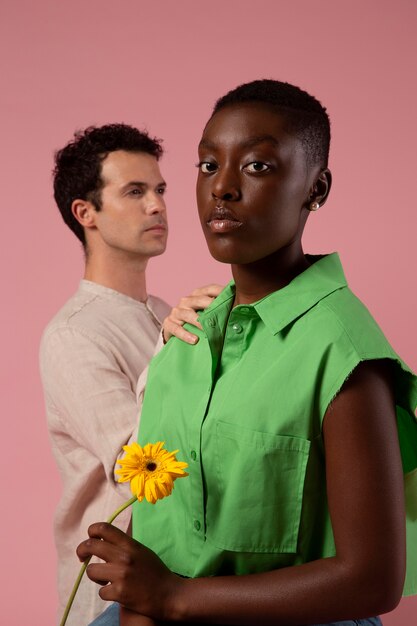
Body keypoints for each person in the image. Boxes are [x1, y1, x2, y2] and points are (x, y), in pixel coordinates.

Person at [77, 81, 417, 626]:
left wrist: (172, 598)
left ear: (316, 187)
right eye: (208, 166)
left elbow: (373, 580)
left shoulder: (344, 352)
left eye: (257, 167)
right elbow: (162, 526)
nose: (223, 188)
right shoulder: (188, 335)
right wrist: (140, 601)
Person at [40, 123, 220, 625]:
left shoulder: (163, 311)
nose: (158, 205)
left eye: (160, 189)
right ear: (86, 213)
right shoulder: (72, 334)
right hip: (111, 599)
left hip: (179, 581)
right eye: (134, 191)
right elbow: (136, 467)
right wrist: (166, 348)